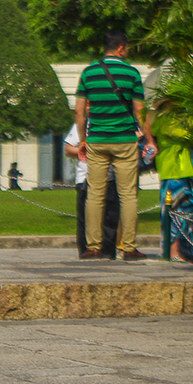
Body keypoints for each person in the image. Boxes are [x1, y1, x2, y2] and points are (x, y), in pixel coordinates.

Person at [74, 32, 156, 261]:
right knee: (128, 194)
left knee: (95, 194)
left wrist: (83, 139)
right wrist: (149, 139)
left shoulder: (89, 72)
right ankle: (128, 247)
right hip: (125, 141)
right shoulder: (131, 73)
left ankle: (93, 246)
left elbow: (79, 111)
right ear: (121, 48)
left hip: (97, 140)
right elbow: (140, 111)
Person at [151, 104, 193, 262]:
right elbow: (187, 135)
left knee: (187, 211)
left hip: (187, 170)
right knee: (173, 211)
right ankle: (173, 251)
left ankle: (191, 250)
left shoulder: (183, 117)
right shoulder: (165, 120)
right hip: (173, 170)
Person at [63, 123, 117, 258]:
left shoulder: (115, 119)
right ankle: (87, 250)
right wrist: (89, 152)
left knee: (110, 218)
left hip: (111, 177)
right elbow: (68, 149)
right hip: (86, 177)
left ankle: (108, 251)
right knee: (85, 218)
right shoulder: (82, 125)